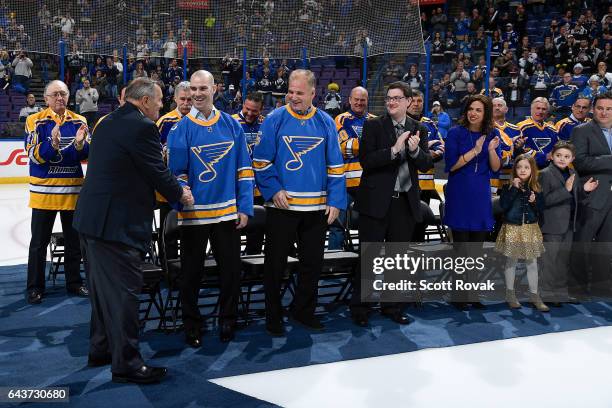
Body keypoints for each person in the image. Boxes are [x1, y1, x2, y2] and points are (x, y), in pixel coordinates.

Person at [74, 77, 193, 384]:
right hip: (116, 225)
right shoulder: (142, 127)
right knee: (125, 295)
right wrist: (180, 194)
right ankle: (127, 363)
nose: (161, 105)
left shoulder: (109, 120)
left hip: (92, 221)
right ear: (143, 102)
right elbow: (156, 170)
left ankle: (100, 349)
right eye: (158, 101)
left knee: (103, 295)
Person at [253, 69, 346, 335]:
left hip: (316, 208)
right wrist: (273, 190)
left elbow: (336, 166)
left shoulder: (327, 122)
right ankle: (273, 316)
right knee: (275, 266)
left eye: (299, 93)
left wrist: (336, 201)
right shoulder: (275, 119)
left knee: (312, 264)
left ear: (313, 94)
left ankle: (303, 311)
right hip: (283, 207)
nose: (293, 97)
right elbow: (260, 161)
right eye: (290, 92)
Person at [168, 70, 254, 346]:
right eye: (193, 89)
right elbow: (176, 172)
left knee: (230, 272)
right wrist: (183, 191)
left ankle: (227, 319)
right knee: (191, 275)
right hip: (194, 216)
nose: (197, 94)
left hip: (227, 212)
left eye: (202, 88)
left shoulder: (231, 125)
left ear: (214, 89)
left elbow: (244, 169)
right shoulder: (179, 129)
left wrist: (245, 207)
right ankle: (192, 323)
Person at [350, 81, 433, 326]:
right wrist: (394, 150)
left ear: (408, 101)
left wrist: (416, 152)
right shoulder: (374, 125)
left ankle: (392, 306)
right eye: (388, 98)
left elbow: (426, 163)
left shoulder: (420, 129)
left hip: (404, 203)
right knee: (369, 257)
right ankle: (360, 309)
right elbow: (366, 160)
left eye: (397, 98)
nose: (391, 102)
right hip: (376, 202)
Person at [24, 80, 90, 304]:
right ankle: (34, 287)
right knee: (38, 244)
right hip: (44, 194)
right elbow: (33, 155)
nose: (60, 98)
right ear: (46, 98)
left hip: (72, 193)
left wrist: (80, 145)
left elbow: (84, 155)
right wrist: (51, 144)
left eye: (63, 94)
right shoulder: (34, 120)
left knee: (74, 243)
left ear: (68, 97)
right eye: (55, 94)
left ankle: (74, 283)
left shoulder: (80, 120)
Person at [443, 94, 501, 310]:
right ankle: (458, 295)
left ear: (485, 114)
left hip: (480, 197)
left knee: (476, 250)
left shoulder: (491, 133)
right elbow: (451, 165)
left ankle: (473, 293)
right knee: (461, 249)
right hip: (460, 195)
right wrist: (475, 151)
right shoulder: (455, 133)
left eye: (478, 110)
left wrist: (491, 150)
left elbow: (495, 167)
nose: (473, 113)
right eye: (470, 108)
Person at [539, 141, 598, 305]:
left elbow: (575, 195)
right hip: (552, 225)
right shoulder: (545, 173)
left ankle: (560, 293)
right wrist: (565, 189)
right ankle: (546, 295)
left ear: (572, 158)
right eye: (559, 156)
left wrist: (584, 190)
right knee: (549, 261)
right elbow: (544, 201)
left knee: (562, 261)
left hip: (570, 223)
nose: (562, 159)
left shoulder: (573, 171)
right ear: (552, 156)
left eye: (566, 156)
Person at [570, 93, 612, 298]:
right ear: (593, 109)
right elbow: (581, 162)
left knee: (606, 243)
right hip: (592, 194)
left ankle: (601, 286)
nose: (604, 112)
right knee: (583, 241)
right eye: (600, 108)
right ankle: (576, 287)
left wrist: (601, 159)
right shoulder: (581, 131)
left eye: (609, 109)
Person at [495, 156, 548, 311]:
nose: (523, 170)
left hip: (530, 228)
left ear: (532, 170)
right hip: (513, 228)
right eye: (519, 167)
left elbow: (541, 208)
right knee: (511, 261)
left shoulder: (537, 188)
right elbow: (503, 206)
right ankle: (510, 294)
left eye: (526, 167)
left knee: (532, 263)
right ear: (514, 170)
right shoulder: (507, 187)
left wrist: (534, 201)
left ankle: (534, 295)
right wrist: (513, 189)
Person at [328, 86, 374, 250]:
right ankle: (332, 265)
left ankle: (363, 266)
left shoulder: (375, 120)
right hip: (344, 183)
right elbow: (343, 146)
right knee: (337, 225)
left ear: (367, 101)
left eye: (363, 100)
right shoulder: (341, 119)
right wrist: (371, 145)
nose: (359, 103)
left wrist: (357, 146)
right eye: (356, 99)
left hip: (368, 184)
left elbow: (382, 147)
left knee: (368, 228)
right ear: (349, 100)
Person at [155, 81, 192, 259]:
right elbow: (153, 154)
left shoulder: (198, 120)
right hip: (167, 188)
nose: (186, 103)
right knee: (168, 232)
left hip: (192, 188)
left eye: (189, 99)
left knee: (188, 232)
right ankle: (167, 269)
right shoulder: (164, 121)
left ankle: (186, 268)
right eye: (182, 99)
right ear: (175, 98)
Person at [232, 92, 266, 255]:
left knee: (257, 232)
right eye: (247, 109)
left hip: (259, 189)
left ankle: (253, 268)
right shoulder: (231, 122)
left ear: (261, 110)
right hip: (237, 188)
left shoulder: (265, 124)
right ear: (242, 105)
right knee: (235, 230)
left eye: (255, 111)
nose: (250, 113)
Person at [516, 97, 558, 169]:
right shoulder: (521, 127)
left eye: (543, 109)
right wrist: (545, 157)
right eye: (538, 108)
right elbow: (523, 150)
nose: (540, 111)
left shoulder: (552, 129)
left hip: (550, 169)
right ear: (531, 109)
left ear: (547, 111)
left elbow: (556, 148)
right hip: (529, 169)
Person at [491, 97, 518, 192]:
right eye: (494, 106)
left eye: (500, 105)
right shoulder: (484, 128)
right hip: (491, 176)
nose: (497, 108)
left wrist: (519, 147)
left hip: (511, 176)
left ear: (506, 109)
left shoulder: (516, 129)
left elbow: (519, 154)